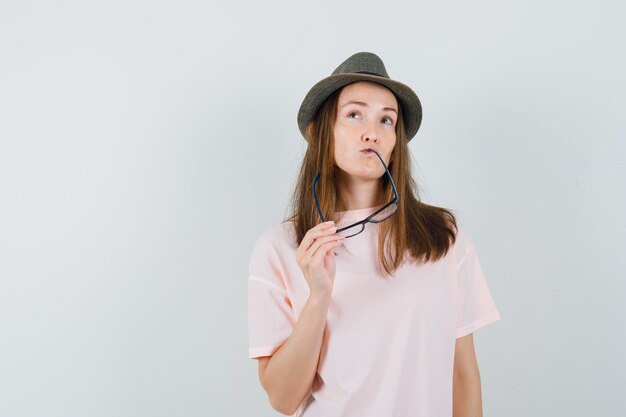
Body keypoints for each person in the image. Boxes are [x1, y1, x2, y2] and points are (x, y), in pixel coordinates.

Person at [247, 51, 501, 417]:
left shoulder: (442, 237)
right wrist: (318, 295)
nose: (372, 131)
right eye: (354, 114)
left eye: (387, 120)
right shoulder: (281, 247)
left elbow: (463, 377)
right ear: (321, 132)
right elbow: (284, 400)